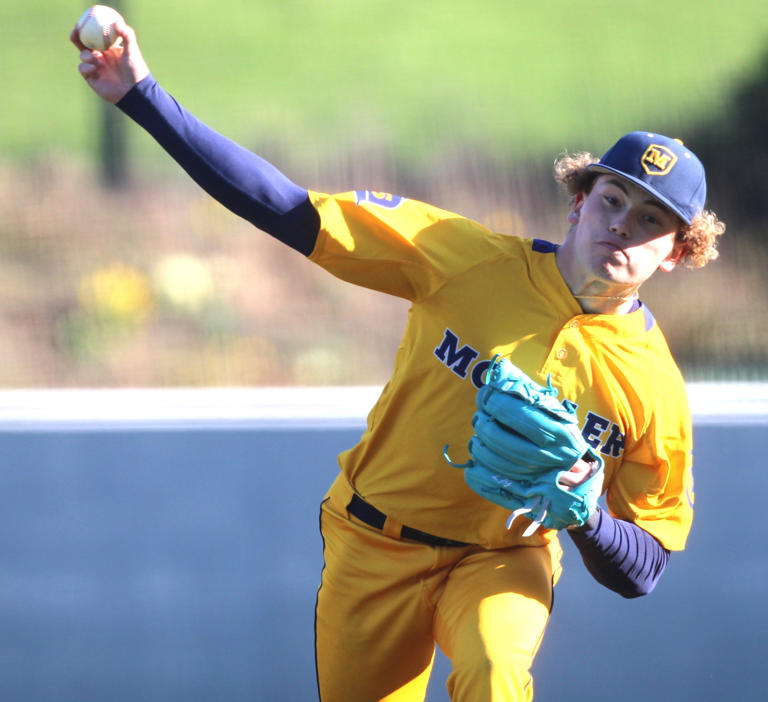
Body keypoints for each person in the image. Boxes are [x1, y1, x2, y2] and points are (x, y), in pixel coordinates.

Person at [71, 16, 725, 702]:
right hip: (372, 545)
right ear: (577, 204)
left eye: (651, 219)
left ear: (679, 252)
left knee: (496, 675)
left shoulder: (653, 386)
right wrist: (141, 94)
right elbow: (290, 209)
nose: (621, 223)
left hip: (502, 560)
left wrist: (588, 516)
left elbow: (644, 568)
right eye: (612, 199)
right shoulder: (461, 258)